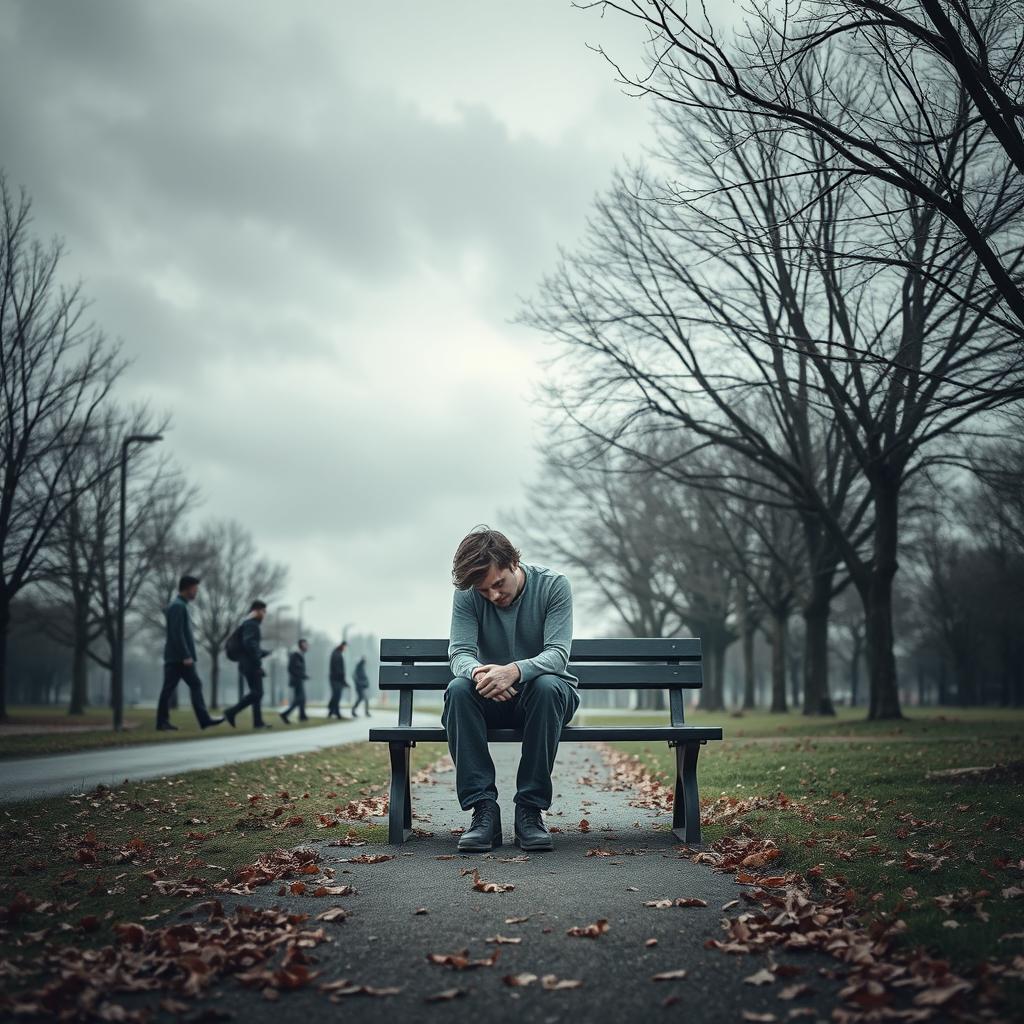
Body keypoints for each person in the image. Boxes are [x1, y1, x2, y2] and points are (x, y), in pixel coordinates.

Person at [442, 527, 579, 854]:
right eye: (483, 590)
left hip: (545, 696)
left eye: (498, 584)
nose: (492, 595)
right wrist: (479, 674)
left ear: (513, 562)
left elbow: (557, 655)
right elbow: (459, 652)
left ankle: (529, 811)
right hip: (490, 695)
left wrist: (514, 672)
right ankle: (483, 811)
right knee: (458, 691)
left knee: (547, 686)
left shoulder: (554, 586)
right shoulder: (468, 594)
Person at [156, 575, 223, 731]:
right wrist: (186, 655)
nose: (196, 593)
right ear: (187, 588)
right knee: (173, 688)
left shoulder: (181, 605)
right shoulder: (178, 606)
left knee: (188, 685)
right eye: (195, 589)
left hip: (178, 657)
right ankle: (164, 722)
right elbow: (176, 633)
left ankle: (202, 720)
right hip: (178, 658)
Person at [224, 600, 272, 729]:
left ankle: (258, 722)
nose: (265, 614)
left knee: (257, 692)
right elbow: (249, 643)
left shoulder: (248, 623)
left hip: (247, 662)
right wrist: (258, 662)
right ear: (256, 611)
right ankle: (231, 712)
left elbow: (250, 645)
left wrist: (263, 652)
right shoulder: (251, 624)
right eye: (263, 611)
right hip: (250, 663)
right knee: (257, 693)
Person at [281, 638, 310, 724]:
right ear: (300, 645)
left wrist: (304, 675)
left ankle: (302, 716)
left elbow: (298, 668)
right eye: (305, 644)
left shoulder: (300, 654)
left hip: (299, 679)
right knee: (299, 699)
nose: (307, 646)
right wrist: (301, 675)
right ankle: (285, 714)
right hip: (296, 680)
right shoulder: (295, 655)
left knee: (302, 699)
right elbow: (291, 668)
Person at [327, 640, 349, 719]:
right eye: (345, 647)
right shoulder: (336, 654)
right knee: (337, 696)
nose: (345, 649)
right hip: (336, 679)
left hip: (336, 679)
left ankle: (331, 711)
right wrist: (343, 680)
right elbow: (338, 669)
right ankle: (335, 712)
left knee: (336, 696)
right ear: (343, 646)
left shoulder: (337, 653)